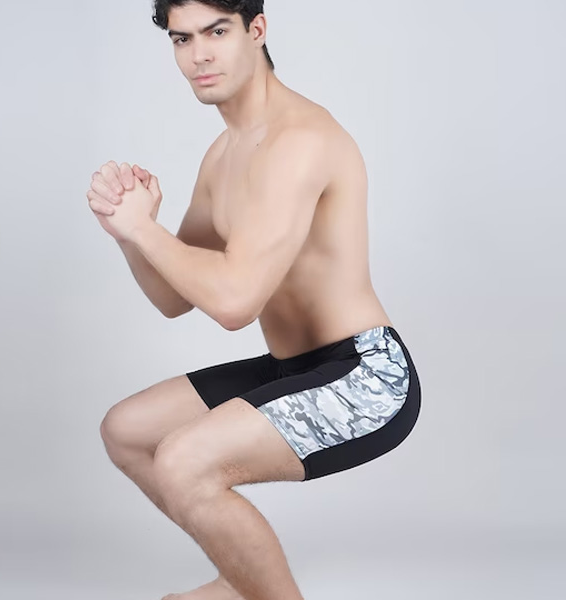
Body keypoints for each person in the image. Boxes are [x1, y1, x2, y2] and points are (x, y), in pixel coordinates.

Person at [86, 1, 422, 599]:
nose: (199, 55)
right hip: (296, 369)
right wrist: (128, 232)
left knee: (185, 461)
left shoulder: (299, 141)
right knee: (128, 430)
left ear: (256, 30)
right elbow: (173, 297)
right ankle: (244, 583)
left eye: (217, 32)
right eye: (182, 39)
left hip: (366, 377)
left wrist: (145, 230)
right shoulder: (224, 155)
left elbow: (235, 301)